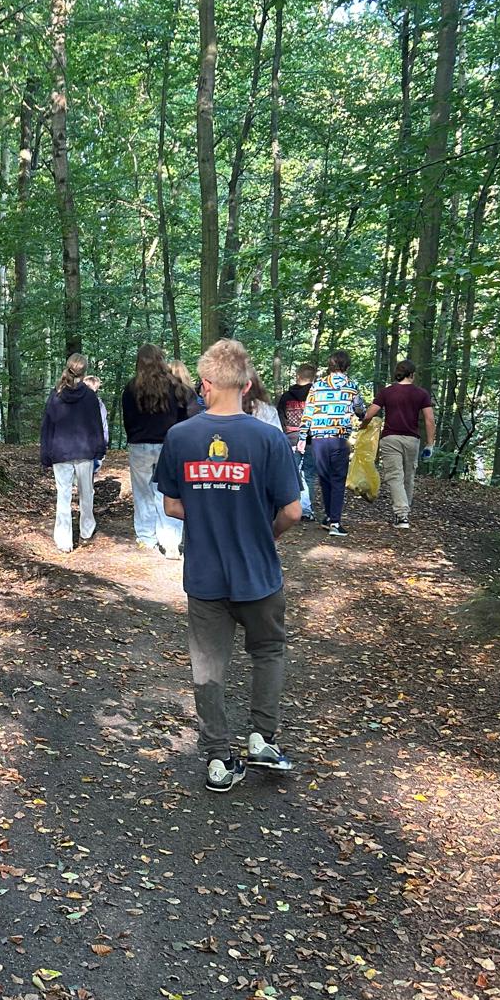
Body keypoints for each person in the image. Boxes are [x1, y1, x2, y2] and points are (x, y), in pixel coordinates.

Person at [155, 339, 301, 793]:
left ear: (205, 384)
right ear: (248, 384)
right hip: (259, 572)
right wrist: (265, 533)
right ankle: (263, 739)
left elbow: (171, 505)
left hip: (205, 574)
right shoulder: (269, 438)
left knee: (207, 664)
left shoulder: (181, 437)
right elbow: (293, 512)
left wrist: (206, 512)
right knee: (268, 651)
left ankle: (218, 758)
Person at [120, 345, 191, 557]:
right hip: (168, 445)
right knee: (168, 492)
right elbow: (183, 418)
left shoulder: (131, 388)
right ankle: (171, 542)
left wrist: (135, 436)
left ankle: (146, 538)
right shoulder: (174, 385)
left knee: (143, 493)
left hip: (140, 445)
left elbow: (128, 419)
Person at [40, 354, 109, 552]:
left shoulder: (56, 395)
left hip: (61, 452)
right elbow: (96, 426)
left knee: (63, 495)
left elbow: (47, 427)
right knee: (86, 493)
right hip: (84, 452)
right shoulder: (90, 396)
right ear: (84, 371)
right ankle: (86, 531)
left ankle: (64, 540)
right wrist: (99, 449)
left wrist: (45, 454)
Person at [364, 359, 436, 529]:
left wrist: (363, 427)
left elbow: (370, 414)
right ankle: (403, 512)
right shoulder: (421, 393)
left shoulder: (386, 392)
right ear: (412, 375)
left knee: (395, 476)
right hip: (412, 440)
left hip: (390, 439)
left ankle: (402, 515)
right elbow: (429, 420)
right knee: (408, 476)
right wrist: (430, 444)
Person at [302, 350, 365, 538]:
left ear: (330, 365)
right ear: (347, 366)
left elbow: (308, 412)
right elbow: (359, 409)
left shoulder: (317, 386)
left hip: (318, 438)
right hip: (339, 438)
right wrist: (363, 417)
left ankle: (329, 517)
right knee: (338, 479)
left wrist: (302, 437)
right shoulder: (351, 386)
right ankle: (335, 523)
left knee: (324, 477)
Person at [275, 364, 318, 522]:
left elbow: (280, 418)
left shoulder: (286, 397)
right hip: (312, 440)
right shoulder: (317, 396)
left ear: (297, 376)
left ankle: (291, 507)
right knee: (309, 474)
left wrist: (283, 436)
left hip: (291, 438)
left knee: (292, 474)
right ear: (313, 378)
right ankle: (306, 510)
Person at [85, 373, 109, 475]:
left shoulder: (99, 404)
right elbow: (104, 426)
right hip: (92, 444)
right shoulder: (99, 404)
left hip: (84, 445)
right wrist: (104, 444)